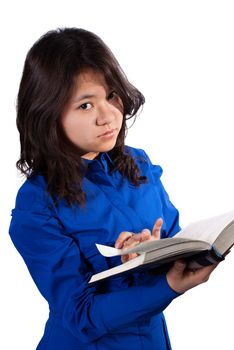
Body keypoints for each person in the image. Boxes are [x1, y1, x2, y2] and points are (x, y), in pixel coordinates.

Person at [9, 27, 217, 350]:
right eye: (85, 106)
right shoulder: (37, 203)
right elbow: (81, 315)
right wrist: (168, 285)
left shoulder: (138, 163)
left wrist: (152, 248)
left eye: (111, 96)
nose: (107, 116)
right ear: (48, 115)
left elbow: (175, 233)